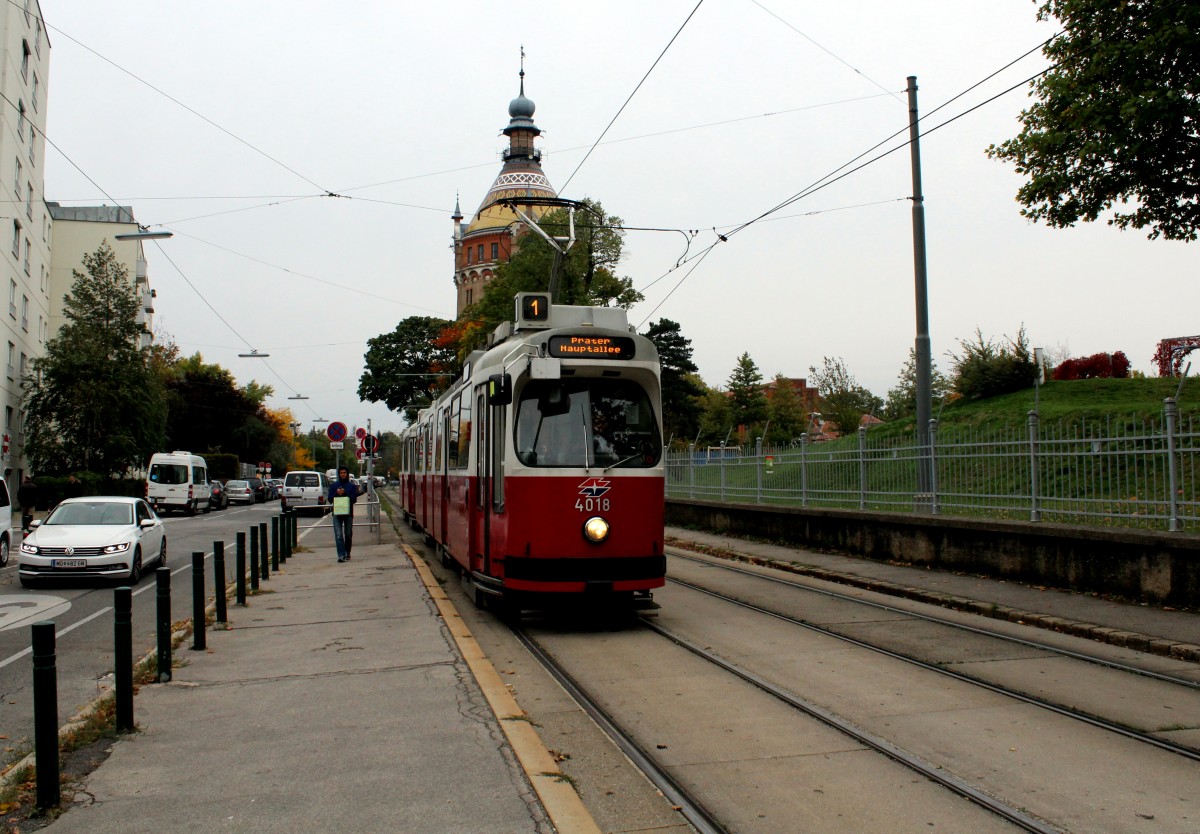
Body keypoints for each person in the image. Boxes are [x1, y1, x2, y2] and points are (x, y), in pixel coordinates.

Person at [326, 466, 359, 562]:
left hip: (348, 513)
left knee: (348, 534)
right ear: (338, 474)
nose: (343, 474)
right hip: (337, 513)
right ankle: (341, 555)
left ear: (347, 474)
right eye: (341, 473)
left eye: (344, 473)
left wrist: (345, 493)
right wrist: (337, 493)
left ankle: (347, 552)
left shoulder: (351, 486)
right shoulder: (334, 486)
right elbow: (330, 499)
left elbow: (354, 499)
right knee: (339, 535)